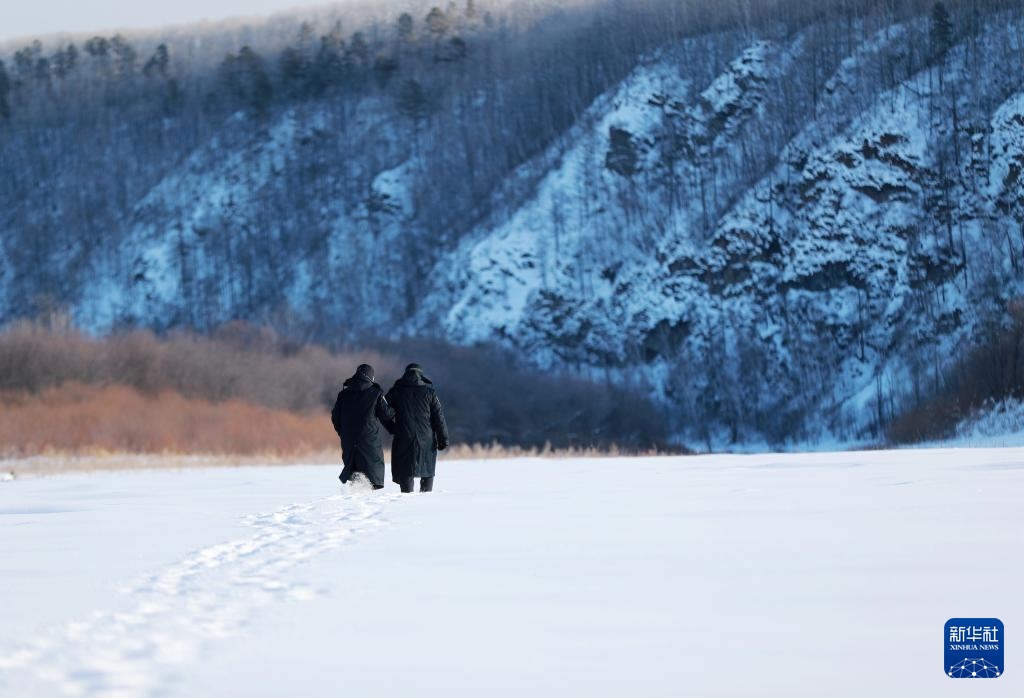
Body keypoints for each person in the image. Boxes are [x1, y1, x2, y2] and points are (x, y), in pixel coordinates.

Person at [385, 363, 449, 493]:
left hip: (403, 437)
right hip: (427, 440)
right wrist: (443, 439)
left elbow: (383, 412)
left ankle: (407, 500)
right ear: (421, 375)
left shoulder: (395, 391)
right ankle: (425, 502)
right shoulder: (430, 392)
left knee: (406, 471)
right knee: (427, 470)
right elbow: (439, 417)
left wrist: (393, 428)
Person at [331, 364, 395, 490]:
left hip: (349, 440)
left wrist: (343, 433)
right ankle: (365, 502)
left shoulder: (343, 394)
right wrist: (395, 409)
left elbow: (335, 417)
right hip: (369, 440)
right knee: (371, 472)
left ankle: (356, 501)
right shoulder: (376, 393)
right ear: (371, 377)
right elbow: (386, 415)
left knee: (354, 471)